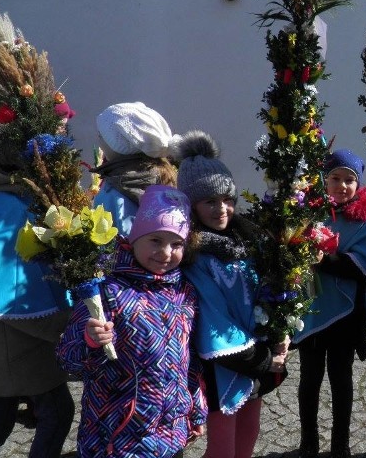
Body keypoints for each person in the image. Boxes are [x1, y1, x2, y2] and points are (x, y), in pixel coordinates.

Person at [56, 185, 207, 457]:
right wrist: (90, 341)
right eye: (155, 240)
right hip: (118, 437)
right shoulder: (107, 292)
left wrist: (196, 411)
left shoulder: (184, 292)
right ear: (134, 237)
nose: (165, 252)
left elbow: (189, 360)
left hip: (171, 434)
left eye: (176, 244)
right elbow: (69, 359)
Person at [174, 131, 288, 458]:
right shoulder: (194, 255)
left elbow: (267, 289)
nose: (222, 209)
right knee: (223, 444)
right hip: (223, 362)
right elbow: (214, 321)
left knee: (249, 433)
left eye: (227, 200)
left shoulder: (248, 240)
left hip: (256, 356)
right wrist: (265, 360)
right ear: (191, 205)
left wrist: (281, 326)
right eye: (210, 201)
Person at [0, 123, 74, 458]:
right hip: (19, 349)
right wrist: (64, 330)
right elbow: (15, 294)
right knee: (58, 413)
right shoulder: (11, 209)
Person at [294, 149, 366, 458]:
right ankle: (308, 442)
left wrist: (327, 260)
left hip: (347, 315)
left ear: (358, 185)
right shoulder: (309, 212)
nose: (342, 186)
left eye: (350, 180)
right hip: (312, 307)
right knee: (309, 378)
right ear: (324, 179)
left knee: (341, 379)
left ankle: (340, 445)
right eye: (335, 178)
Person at [91, 101, 179, 236]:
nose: (99, 141)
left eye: (101, 136)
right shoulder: (159, 174)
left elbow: (123, 241)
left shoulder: (121, 187)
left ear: (120, 145)